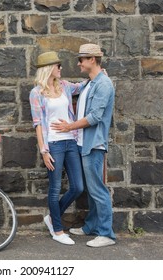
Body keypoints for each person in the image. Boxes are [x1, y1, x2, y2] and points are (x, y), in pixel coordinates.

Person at [51, 43, 116, 248]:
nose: (78, 63)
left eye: (81, 59)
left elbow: (96, 116)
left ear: (92, 60)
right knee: (90, 188)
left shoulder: (103, 84)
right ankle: (91, 227)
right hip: (82, 142)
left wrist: (69, 126)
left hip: (93, 144)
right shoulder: (91, 82)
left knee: (98, 189)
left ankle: (106, 234)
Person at [29, 51, 85, 245]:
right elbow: (38, 124)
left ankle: (53, 218)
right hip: (53, 144)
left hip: (71, 141)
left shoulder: (65, 86)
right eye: (58, 66)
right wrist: (43, 150)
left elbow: (84, 86)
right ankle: (58, 231)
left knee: (78, 187)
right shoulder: (36, 93)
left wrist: (99, 74)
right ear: (49, 69)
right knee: (55, 189)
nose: (61, 68)